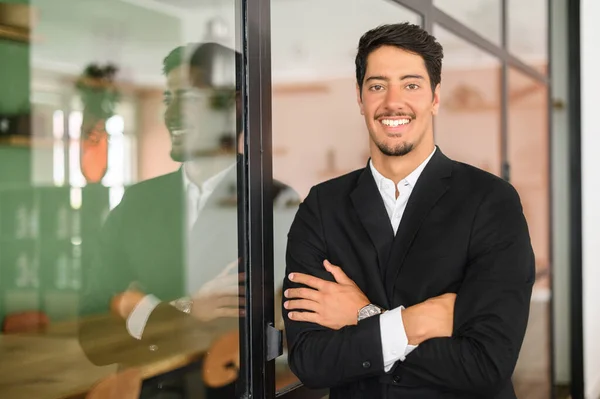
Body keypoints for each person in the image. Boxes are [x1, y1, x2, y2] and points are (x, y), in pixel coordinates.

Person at [282, 22, 535, 399]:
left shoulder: (491, 200)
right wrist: (414, 324)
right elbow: (310, 362)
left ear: (435, 97)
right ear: (360, 97)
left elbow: (487, 363)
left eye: (411, 84)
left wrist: (363, 317)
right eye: (378, 85)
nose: (392, 102)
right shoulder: (321, 206)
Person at [78, 42, 297, 398]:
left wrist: (138, 305)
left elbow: (274, 335)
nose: (172, 114)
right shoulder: (136, 203)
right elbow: (92, 336)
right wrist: (188, 309)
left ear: (235, 105)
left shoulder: (277, 205)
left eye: (190, 98)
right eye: (168, 99)